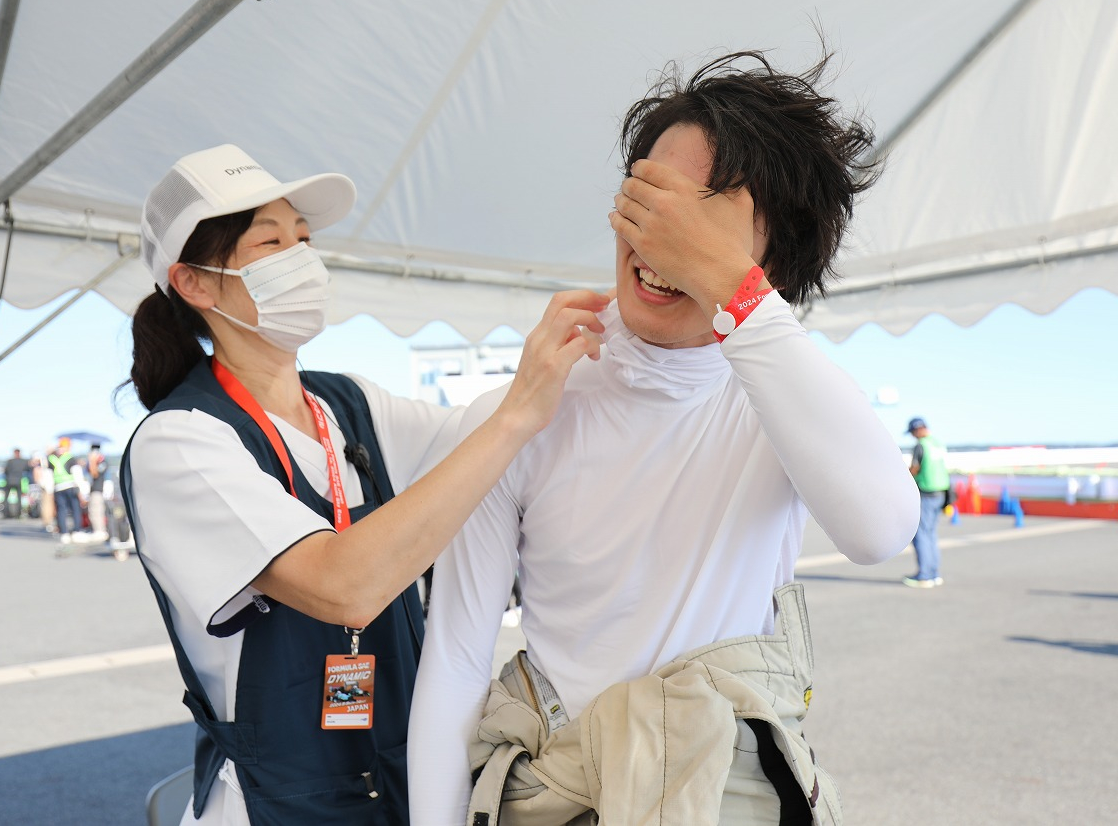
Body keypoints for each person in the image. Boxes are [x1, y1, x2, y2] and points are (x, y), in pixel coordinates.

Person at [409, 51, 921, 824]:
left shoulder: (786, 400)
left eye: (703, 223)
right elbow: (455, 658)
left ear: (776, 262)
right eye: (648, 202)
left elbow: (880, 529)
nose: (660, 242)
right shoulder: (517, 411)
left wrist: (736, 294)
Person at [119, 144, 605, 825]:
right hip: (278, 806)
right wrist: (518, 413)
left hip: (399, 785)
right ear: (195, 283)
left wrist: (608, 347)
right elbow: (342, 585)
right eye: (271, 242)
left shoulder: (347, 403)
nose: (302, 259)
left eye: (304, 239)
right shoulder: (181, 442)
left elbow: (482, 435)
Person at [903, 416, 949, 589]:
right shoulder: (937, 443)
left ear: (917, 430)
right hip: (941, 492)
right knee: (931, 534)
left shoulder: (921, 445)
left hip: (925, 493)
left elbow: (915, 468)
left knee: (921, 534)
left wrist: (903, 478)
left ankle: (924, 575)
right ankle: (934, 573)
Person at [47, 437, 85, 541]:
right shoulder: (70, 458)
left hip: (58, 487)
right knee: (75, 509)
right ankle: (77, 531)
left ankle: (64, 533)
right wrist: (81, 490)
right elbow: (77, 475)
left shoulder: (52, 459)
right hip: (70, 486)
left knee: (61, 510)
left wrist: (50, 490)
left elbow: (48, 476)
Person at [85, 443, 110, 540]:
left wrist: (92, 461)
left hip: (98, 489)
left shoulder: (102, 462)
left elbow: (95, 474)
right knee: (92, 511)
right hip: (93, 489)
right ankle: (96, 529)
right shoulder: (93, 462)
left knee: (97, 511)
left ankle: (100, 531)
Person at [3, 448, 30, 518]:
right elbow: (27, 470)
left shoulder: (10, 461)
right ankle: (18, 514)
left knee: (6, 498)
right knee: (19, 498)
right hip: (18, 481)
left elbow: (5, 471)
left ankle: (6, 513)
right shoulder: (24, 461)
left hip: (9, 480)